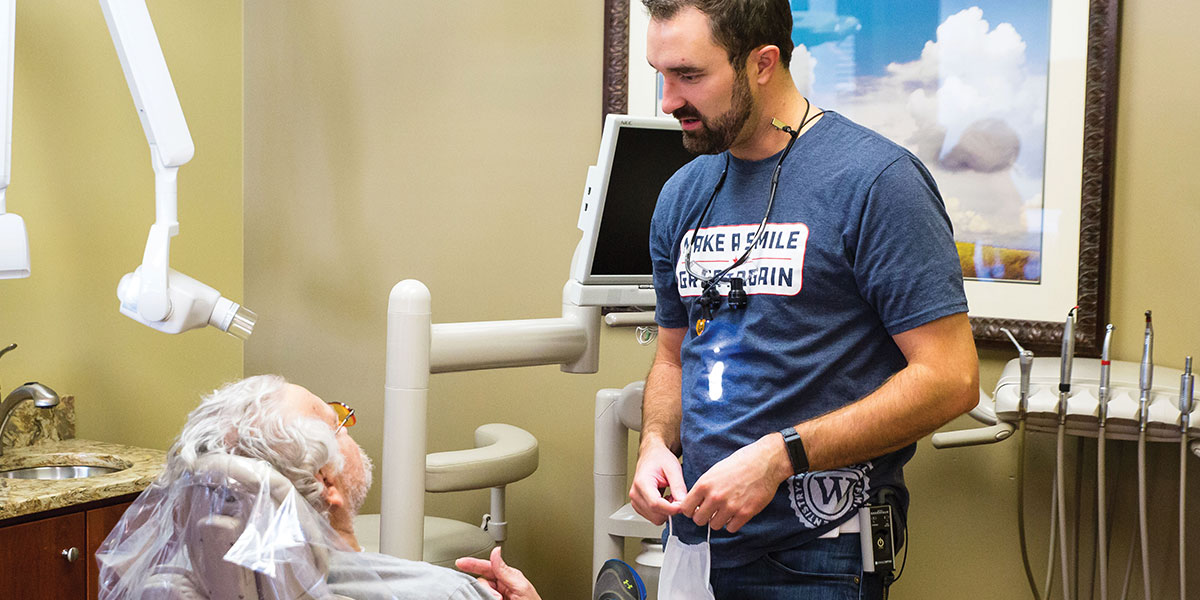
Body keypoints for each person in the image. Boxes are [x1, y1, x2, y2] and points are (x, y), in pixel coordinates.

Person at [628, 1, 980, 598]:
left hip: (819, 554)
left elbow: (951, 378)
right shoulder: (681, 194)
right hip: (694, 543)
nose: (668, 101)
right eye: (661, 75)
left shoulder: (877, 181)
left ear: (763, 63)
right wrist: (655, 443)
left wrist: (780, 456)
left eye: (689, 76)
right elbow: (671, 356)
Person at [96, 375, 544, 600]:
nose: (349, 424)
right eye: (337, 423)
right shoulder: (447, 594)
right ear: (325, 483)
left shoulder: (171, 587)